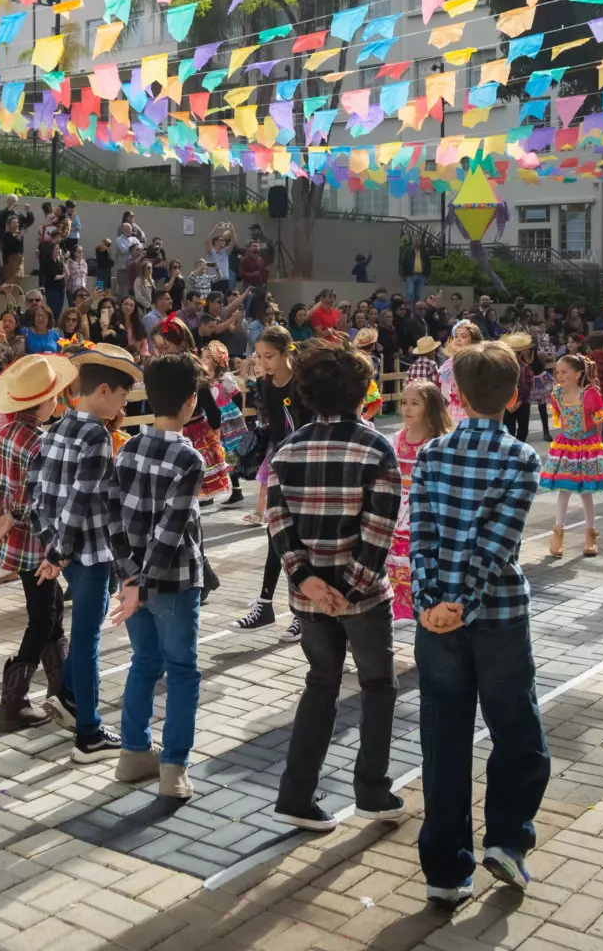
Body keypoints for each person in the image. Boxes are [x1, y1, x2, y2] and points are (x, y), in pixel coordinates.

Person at [410, 339, 547, 907]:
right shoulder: (521, 458)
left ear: (456, 396)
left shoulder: (431, 454)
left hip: (436, 617)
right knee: (516, 729)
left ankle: (446, 871)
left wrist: (430, 601)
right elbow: (496, 543)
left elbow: (419, 535)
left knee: (443, 739)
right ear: (514, 396)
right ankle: (507, 841)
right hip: (499, 613)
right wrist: (464, 603)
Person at [257, 340, 405, 830]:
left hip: (310, 597)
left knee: (321, 683)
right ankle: (372, 791)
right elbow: (379, 529)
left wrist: (309, 582)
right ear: (362, 393)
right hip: (364, 597)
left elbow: (278, 525)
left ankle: (296, 796)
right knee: (378, 685)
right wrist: (352, 588)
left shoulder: (288, 450)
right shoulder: (376, 449)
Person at [100, 351, 207, 802]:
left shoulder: (127, 447)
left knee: (144, 662)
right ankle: (173, 767)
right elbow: (170, 532)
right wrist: (142, 584)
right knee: (181, 671)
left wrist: (129, 578)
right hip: (173, 581)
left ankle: (133, 753)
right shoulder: (189, 458)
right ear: (191, 401)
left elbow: (110, 514)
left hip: (131, 581)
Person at [31, 344, 143, 761]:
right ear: (103, 391)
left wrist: (52, 544)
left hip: (65, 550)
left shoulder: (58, 426)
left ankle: (69, 697)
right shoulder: (96, 434)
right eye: (122, 395)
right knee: (87, 638)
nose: (124, 404)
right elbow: (81, 497)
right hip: (90, 552)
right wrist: (58, 550)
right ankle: (89, 734)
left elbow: (38, 492)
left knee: (84, 634)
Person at [0, 353, 78, 731]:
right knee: (43, 617)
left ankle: (61, 691)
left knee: (51, 609)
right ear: (44, 402)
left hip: (15, 544)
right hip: (36, 544)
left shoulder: (2, 434)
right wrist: (10, 514)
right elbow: (39, 499)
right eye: (54, 397)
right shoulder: (42, 442)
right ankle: (14, 702)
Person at [232, 325, 306, 639]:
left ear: (287, 352)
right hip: (280, 463)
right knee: (275, 531)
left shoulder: (302, 383)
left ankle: (301, 612)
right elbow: (274, 427)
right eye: (259, 356)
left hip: (306, 467)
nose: (263, 362)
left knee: (298, 539)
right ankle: (265, 604)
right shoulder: (265, 384)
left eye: (269, 356)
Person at [389, 380, 454, 624]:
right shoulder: (395, 440)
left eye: (415, 403)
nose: (407, 408)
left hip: (425, 519)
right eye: (404, 402)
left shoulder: (439, 444)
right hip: (397, 518)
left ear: (430, 407)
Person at [540, 354, 603, 559]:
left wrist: (597, 446)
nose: (559, 376)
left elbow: (599, 420)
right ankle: (557, 533)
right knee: (564, 489)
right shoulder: (556, 393)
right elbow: (559, 416)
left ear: (578, 374)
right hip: (566, 445)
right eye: (557, 372)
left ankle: (590, 535)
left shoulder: (589, 394)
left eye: (564, 372)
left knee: (586, 492)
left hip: (586, 446)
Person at [401, 238, 428, 304]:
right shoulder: (408, 252)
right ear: (412, 242)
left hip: (421, 276)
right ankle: (407, 307)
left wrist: (427, 274)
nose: (416, 241)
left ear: (420, 242)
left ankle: (416, 308)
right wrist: (403, 275)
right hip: (410, 276)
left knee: (418, 295)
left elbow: (428, 264)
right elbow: (403, 263)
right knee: (410, 293)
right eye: (415, 240)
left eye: (418, 240)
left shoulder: (424, 252)